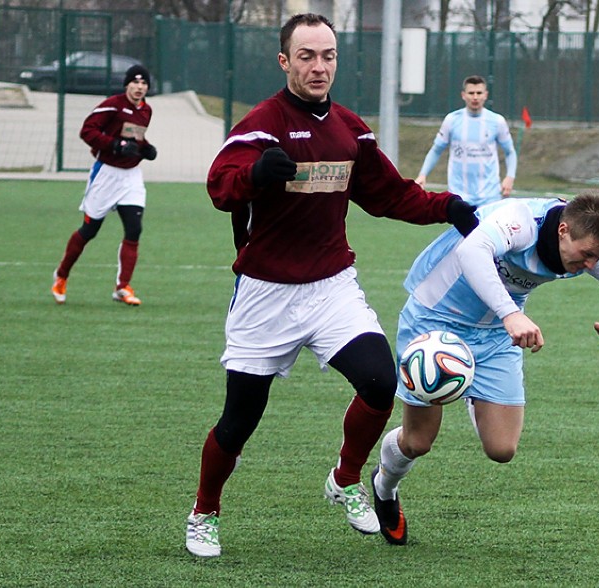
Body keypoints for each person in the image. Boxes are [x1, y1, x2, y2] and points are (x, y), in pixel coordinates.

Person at [184, 13, 477, 558]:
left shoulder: (349, 128)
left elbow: (390, 194)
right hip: (265, 294)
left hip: (332, 288)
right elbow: (220, 186)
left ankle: (344, 480)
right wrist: (255, 175)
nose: (319, 67)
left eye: (328, 56)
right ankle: (204, 511)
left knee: (379, 383)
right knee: (239, 421)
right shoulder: (261, 125)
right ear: (284, 61)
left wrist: (449, 207)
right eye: (306, 56)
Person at [370, 191, 599, 545]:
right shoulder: (520, 220)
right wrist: (511, 314)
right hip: (435, 320)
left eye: (598, 257)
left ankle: (473, 393)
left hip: (496, 334)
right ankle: (384, 486)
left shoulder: (593, 245)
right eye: (587, 255)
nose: (591, 264)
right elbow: (471, 251)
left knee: (502, 449)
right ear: (563, 230)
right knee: (419, 442)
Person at [50, 65, 157, 305]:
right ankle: (61, 275)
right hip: (106, 174)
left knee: (134, 228)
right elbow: (87, 131)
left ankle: (123, 287)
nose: (139, 87)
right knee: (89, 230)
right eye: (135, 82)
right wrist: (114, 146)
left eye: (144, 83)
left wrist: (146, 149)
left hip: (131, 176)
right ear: (126, 85)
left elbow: (135, 137)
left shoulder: (146, 110)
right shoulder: (113, 104)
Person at [414, 75, 517, 206]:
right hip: (459, 195)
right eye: (471, 93)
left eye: (479, 93)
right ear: (463, 95)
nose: (475, 97)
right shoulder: (451, 120)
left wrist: (510, 177)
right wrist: (423, 174)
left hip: (489, 196)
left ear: (485, 95)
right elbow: (436, 150)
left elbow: (510, 152)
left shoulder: (497, 121)